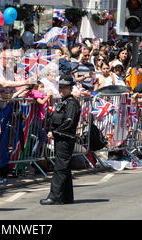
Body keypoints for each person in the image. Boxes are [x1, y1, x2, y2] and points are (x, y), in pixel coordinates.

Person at [40, 74, 81, 205]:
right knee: (65, 168)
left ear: (70, 88)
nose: (61, 90)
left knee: (60, 168)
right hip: (61, 138)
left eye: (64, 88)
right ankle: (67, 197)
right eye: (60, 87)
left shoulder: (72, 103)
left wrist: (55, 132)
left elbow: (69, 122)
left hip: (65, 139)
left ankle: (55, 196)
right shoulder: (65, 102)